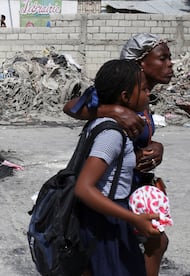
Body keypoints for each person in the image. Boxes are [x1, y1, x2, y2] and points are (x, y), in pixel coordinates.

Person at [63, 33, 173, 276]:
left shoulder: (141, 97)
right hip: (109, 189)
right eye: (163, 58)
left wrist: (157, 148)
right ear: (141, 62)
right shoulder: (121, 88)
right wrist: (109, 109)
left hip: (128, 185)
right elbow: (71, 106)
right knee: (110, 251)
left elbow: (139, 137)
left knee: (139, 247)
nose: (170, 64)